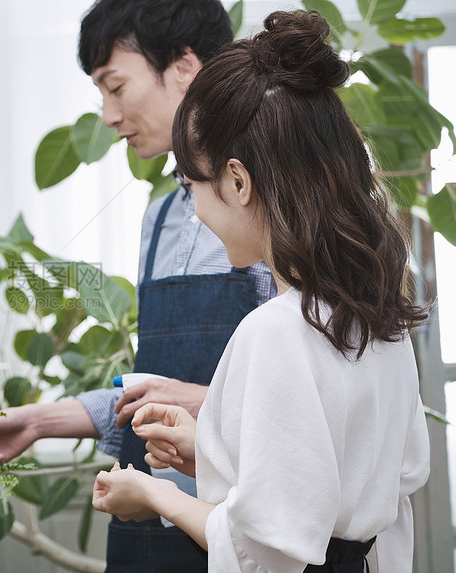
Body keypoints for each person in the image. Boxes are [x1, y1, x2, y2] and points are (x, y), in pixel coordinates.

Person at [90, 10, 431, 572]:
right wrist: (210, 449)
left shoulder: (276, 330)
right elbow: (341, 485)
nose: (194, 208)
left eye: (192, 182)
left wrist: (155, 495)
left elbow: (264, 550)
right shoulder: (374, 317)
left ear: (238, 181)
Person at [0, 0, 275, 570]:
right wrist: (38, 420)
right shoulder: (162, 218)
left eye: (115, 86)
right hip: (149, 516)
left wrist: (200, 407)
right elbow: (156, 386)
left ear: (184, 66)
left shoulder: (273, 205)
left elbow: (301, 399)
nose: (105, 114)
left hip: (246, 519)